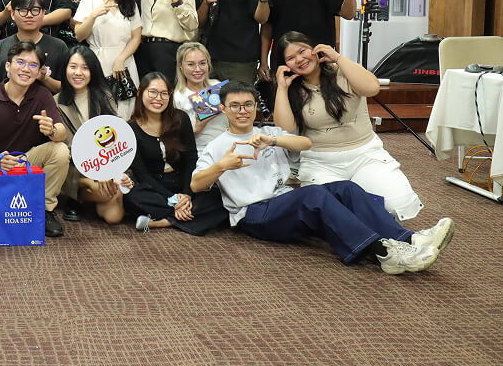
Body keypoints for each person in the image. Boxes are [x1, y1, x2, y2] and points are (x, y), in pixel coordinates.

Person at [192, 81, 453, 274]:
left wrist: (272, 140)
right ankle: (384, 253)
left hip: (284, 201)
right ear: (223, 109)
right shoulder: (217, 146)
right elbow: (196, 184)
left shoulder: (268, 132)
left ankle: (408, 238)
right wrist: (221, 166)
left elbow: (305, 143)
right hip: (254, 214)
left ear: (255, 107)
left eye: (248, 104)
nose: (242, 110)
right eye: (235, 106)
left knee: (346, 188)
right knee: (314, 195)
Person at [272, 32, 422, 220]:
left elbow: (372, 88)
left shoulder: (342, 69)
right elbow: (285, 128)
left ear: (315, 48)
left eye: (302, 51)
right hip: (320, 162)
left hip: (365, 155)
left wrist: (338, 57)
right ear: (285, 64)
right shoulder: (292, 88)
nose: (300, 59)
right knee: (330, 214)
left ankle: (366, 212)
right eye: (291, 58)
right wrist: (282, 88)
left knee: (398, 204)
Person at [0, 41, 71, 237]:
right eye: (20, 62)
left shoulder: (42, 95)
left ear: (39, 71)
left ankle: (44, 209)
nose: (26, 69)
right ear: (8, 66)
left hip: (26, 160)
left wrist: (51, 130)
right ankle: (9, 203)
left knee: (60, 150)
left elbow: (61, 132)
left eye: (33, 65)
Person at [123, 72, 227, 235]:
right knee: (133, 197)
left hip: (183, 180)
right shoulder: (130, 129)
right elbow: (142, 174)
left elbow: (191, 159)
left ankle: (163, 221)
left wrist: (186, 194)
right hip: (154, 186)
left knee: (219, 196)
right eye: (153, 92)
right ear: (140, 92)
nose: (159, 98)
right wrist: (173, 200)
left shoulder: (180, 118)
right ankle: (186, 214)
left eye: (164, 93)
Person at [55, 46, 134, 224]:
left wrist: (113, 172)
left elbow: (114, 139)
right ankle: (84, 192)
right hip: (75, 170)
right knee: (104, 193)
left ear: (93, 71)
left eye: (85, 68)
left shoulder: (105, 97)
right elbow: (66, 149)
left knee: (113, 216)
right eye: (73, 67)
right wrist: (96, 174)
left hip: (105, 164)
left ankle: (100, 193)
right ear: (65, 69)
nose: (78, 73)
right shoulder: (56, 103)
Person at [73, 0, 141, 116]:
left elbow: (136, 37)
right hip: (97, 62)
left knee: (126, 112)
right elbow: (79, 35)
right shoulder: (89, 1)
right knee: (98, 111)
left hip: (125, 64)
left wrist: (121, 59)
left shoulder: (130, 4)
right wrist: (93, 15)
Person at [0, 0, 68, 94]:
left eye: (35, 10)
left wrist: (44, 78)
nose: (29, 15)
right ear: (12, 14)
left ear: (43, 13)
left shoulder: (58, 47)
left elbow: (68, 91)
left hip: (46, 104)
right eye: (23, 10)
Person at [172, 42, 230, 154]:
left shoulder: (217, 85)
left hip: (228, 146)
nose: (198, 69)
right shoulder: (178, 97)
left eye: (202, 63)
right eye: (191, 64)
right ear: (180, 66)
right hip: (201, 152)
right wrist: (198, 126)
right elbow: (177, 137)